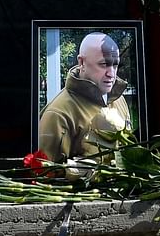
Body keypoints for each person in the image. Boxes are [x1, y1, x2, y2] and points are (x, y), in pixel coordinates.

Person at [38, 32, 131, 163]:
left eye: (115, 65)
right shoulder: (58, 114)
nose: (111, 74)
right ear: (81, 62)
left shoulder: (118, 99)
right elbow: (46, 174)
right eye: (104, 64)